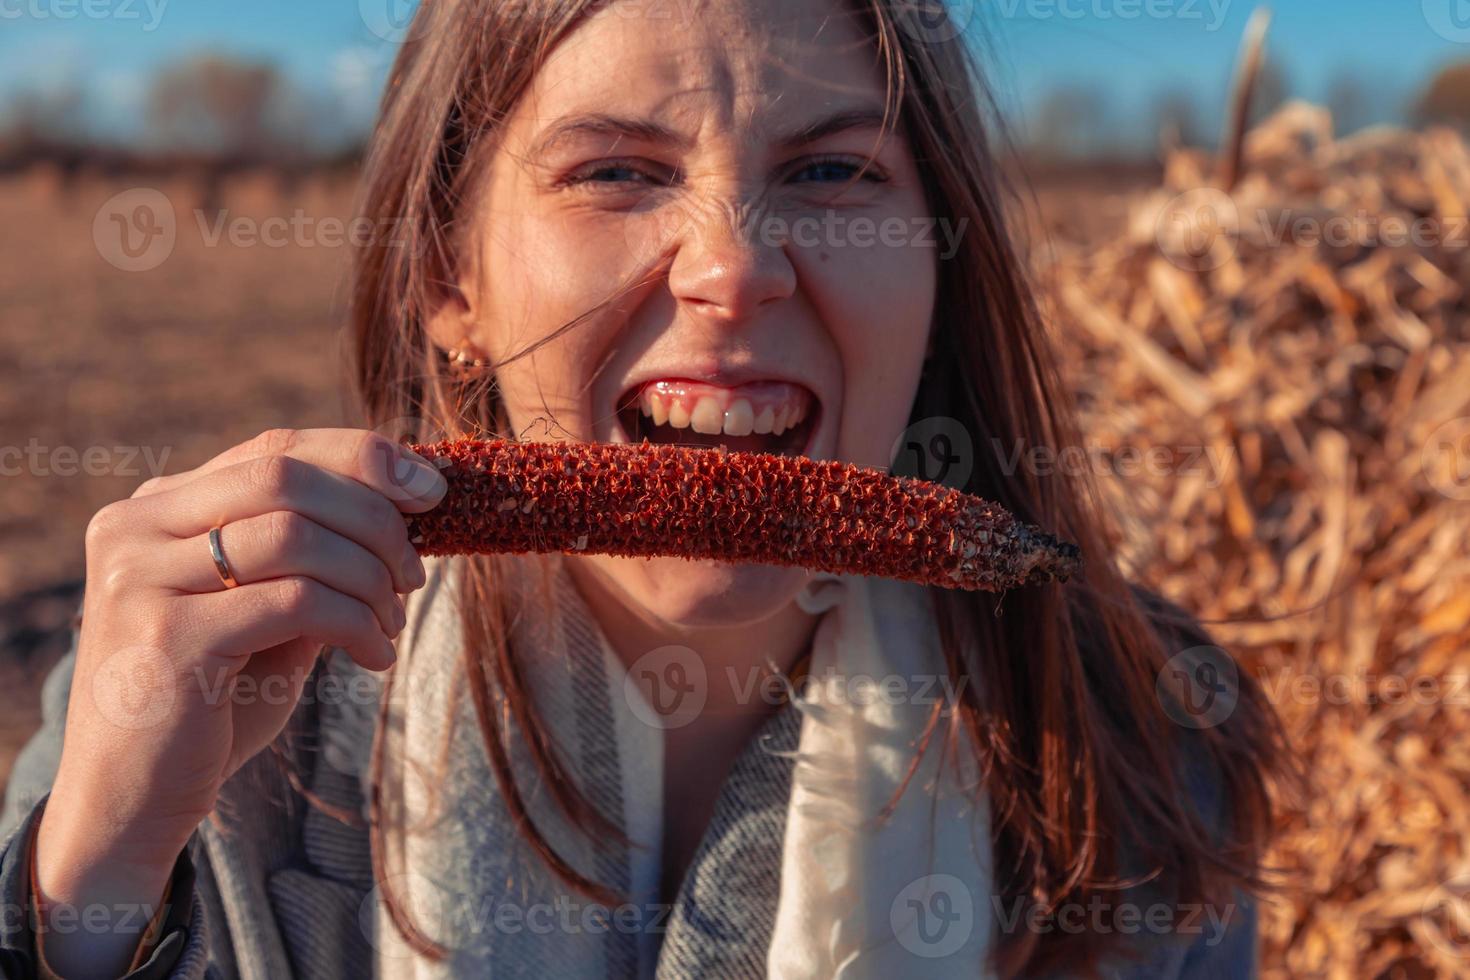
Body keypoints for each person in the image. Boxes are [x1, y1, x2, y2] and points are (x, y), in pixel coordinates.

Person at [0, 0, 1293, 976]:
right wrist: (93, 880)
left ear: (939, 269)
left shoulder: (1144, 741)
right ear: (448, 278)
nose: (732, 270)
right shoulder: (202, 700)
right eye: (615, 171)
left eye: (833, 171)